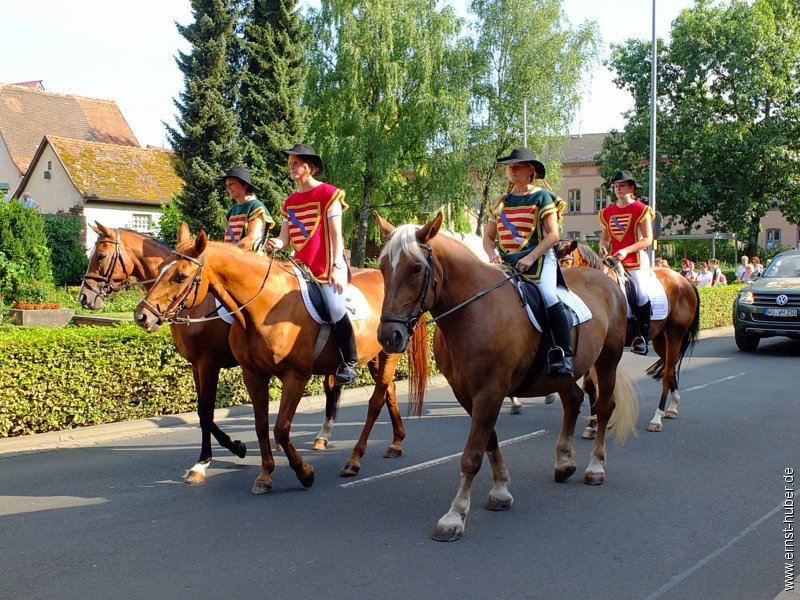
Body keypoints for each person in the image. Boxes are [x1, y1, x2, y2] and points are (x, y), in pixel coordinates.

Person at [266, 144, 357, 386]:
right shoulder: (290, 202)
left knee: (336, 308)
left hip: (326, 266)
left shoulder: (329, 194)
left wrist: (338, 268)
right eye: (290, 163)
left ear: (311, 167)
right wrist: (275, 242)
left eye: (296, 162)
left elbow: (337, 236)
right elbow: (285, 239)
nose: (292, 167)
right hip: (299, 266)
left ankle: (350, 362)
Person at [482, 147, 572, 377]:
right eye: (510, 166)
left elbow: (553, 236)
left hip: (540, 261)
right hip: (506, 264)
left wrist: (530, 257)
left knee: (549, 296)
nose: (512, 169)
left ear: (530, 170)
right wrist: (492, 254)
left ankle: (564, 353)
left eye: (517, 166)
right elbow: (488, 238)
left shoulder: (542, 197)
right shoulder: (499, 201)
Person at [598, 170, 655, 355]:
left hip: (636, 259)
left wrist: (627, 250)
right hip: (614, 260)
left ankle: (643, 338)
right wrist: (603, 246)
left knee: (641, 293)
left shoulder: (641, 209)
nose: (618, 189)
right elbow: (605, 238)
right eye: (615, 186)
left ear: (631, 188)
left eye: (622, 185)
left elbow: (647, 239)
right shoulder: (608, 212)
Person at [219, 167, 274, 251]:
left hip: (251, 260)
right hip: (232, 260)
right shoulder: (232, 210)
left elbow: (252, 239)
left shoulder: (255, 207)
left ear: (244, 185)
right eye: (227, 185)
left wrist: (228, 254)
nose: (228, 188)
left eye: (231, 184)